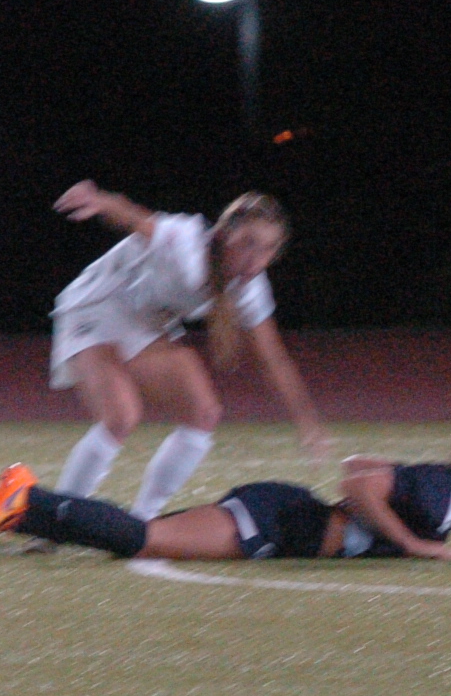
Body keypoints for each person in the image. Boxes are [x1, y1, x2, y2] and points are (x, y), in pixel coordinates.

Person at [37, 185, 332, 531]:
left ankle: (143, 524)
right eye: (248, 243)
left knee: (203, 414)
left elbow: (274, 360)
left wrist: (307, 422)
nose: (257, 259)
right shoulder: (187, 241)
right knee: (121, 416)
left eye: (268, 248)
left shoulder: (249, 287)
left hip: (142, 323)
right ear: (223, 235)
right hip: (95, 306)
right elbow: (136, 219)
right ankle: (54, 524)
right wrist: (100, 201)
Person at [0, 414, 451, 564]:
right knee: (141, 540)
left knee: (141, 538)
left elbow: (358, 463)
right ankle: (25, 497)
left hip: (286, 517)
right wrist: (412, 545)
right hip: (283, 521)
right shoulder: (442, 490)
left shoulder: (447, 498)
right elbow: (359, 480)